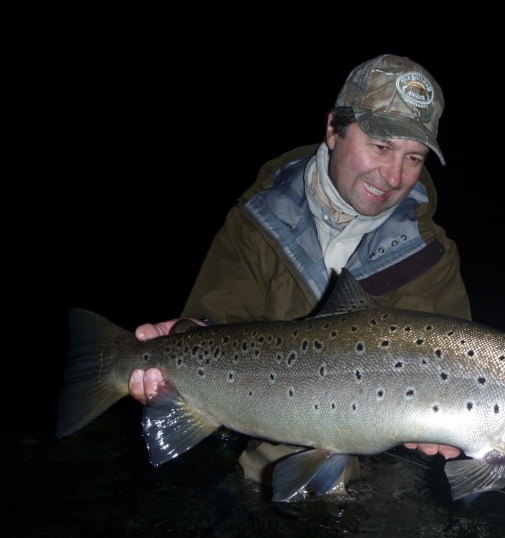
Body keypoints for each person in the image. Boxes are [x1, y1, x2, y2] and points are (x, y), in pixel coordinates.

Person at [128, 53, 470, 496]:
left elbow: (455, 370)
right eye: (381, 146)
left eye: (413, 157)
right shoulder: (257, 222)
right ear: (333, 130)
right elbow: (217, 321)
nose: (393, 176)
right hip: (274, 427)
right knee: (267, 480)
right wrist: (187, 333)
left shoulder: (432, 256)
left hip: (384, 452)